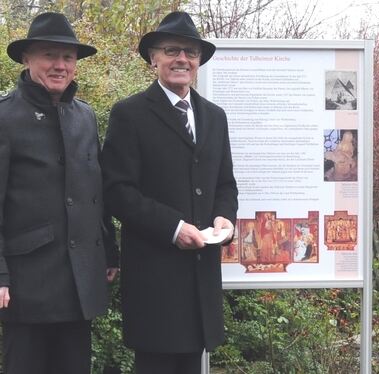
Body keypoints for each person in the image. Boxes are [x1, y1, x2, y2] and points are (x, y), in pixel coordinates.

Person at [101, 11, 238, 374]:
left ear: (198, 62)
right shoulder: (129, 114)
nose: (182, 59)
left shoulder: (214, 116)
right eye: (172, 50)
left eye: (190, 52)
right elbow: (117, 191)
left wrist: (225, 218)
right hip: (155, 284)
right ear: (154, 58)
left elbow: (225, 184)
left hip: (200, 282)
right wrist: (174, 228)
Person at [0, 12, 118, 374]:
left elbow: (95, 192)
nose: (60, 65)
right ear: (27, 59)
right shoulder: (4, 117)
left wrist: (110, 251)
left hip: (80, 280)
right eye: (50, 55)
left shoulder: (84, 116)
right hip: (26, 283)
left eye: (68, 58)